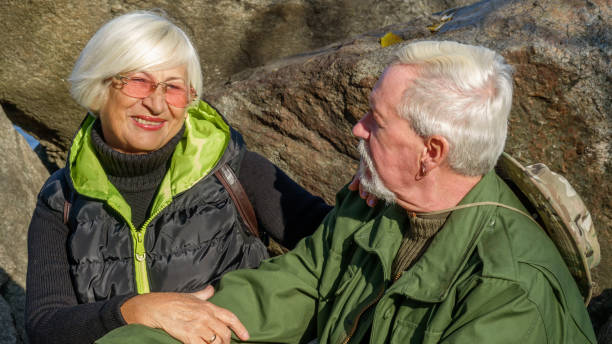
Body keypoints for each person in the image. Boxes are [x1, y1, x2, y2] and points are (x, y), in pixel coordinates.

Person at [97, 40, 597, 343]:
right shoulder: (376, 206)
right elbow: (297, 286)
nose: (357, 129)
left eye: (376, 121)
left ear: (433, 152)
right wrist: (171, 327)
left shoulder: (509, 289)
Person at [25, 11, 334, 344]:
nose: (157, 104)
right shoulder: (62, 197)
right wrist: (132, 310)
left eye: (173, 88)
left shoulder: (233, 170)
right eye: (138, 82)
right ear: (99, 86)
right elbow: (45, 324)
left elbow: (338, 240)